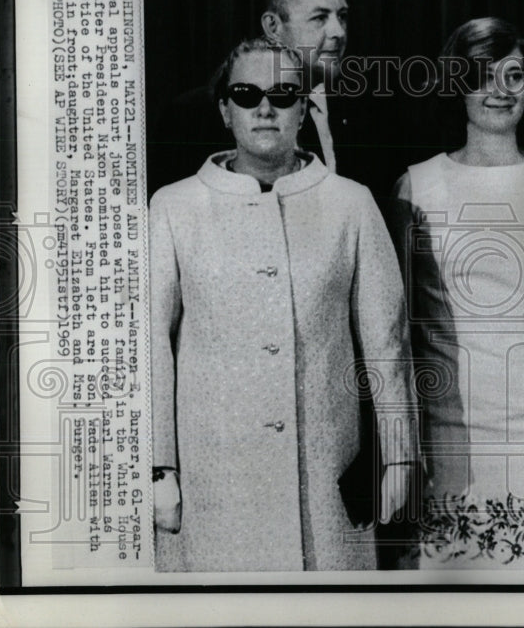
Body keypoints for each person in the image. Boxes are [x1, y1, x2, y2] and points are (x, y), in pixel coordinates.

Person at [149, 38, 415, 571]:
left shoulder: (350, 203)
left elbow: (388, 343)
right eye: (246, 94)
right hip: (213, 485)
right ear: (224, 109)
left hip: (325, 485)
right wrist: (159, 469)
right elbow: (152, 344)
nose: (264, 108)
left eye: (283, 93)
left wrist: (399, 454)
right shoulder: (175, 207)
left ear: (303, 109)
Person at [390, 17, 524, 568]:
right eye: (482, 75)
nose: (499, 90)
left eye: (513, 75)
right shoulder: (413, 186)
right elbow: (397, 331)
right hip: (449, 441)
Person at [148, 0, 387, 198]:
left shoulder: (368, 114)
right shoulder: (193, 119)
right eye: (319, 18)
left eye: (342, 16)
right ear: (273, 27)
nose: (338, 31)